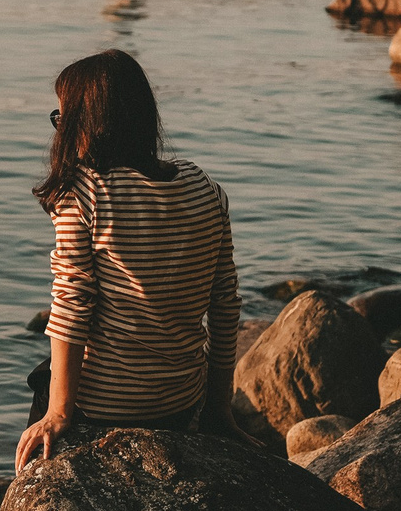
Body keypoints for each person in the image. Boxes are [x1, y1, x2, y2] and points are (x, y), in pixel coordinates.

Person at [14, 49, 238, 469]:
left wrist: (58, 413)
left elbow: (72, 305)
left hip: (104, 406)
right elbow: (225, 303)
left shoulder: (85, 193)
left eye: (62, 118)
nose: (60, 129)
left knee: (44, 376)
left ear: (87, 124)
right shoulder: (203, 185)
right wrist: (219, 408)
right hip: (180, 402)